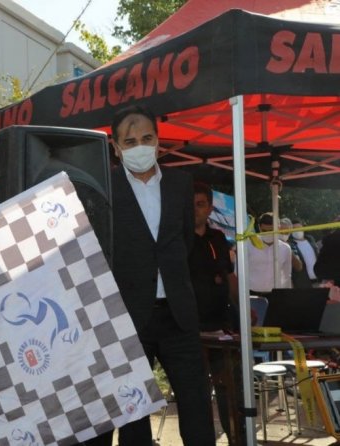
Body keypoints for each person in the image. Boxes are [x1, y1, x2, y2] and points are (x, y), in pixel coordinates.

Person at [90, 105, 215, 446]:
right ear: (116, 147)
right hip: (128, 317)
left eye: (147, 138)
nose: (140, 147)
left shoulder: (180, 183)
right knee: (133, 413)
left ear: (158, 141)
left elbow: (184, 240)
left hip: (178, 314)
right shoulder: (105, 186)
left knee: (196, 404)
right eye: (130, 142)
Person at [189, 182, 244, 444]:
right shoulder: (176, 239)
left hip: (222, 325)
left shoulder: (219, 239)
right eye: (190, 205)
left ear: (210, 208)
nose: (195, 210)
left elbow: (229, 275)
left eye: (200, 204)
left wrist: (243, 308)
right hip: (190, 329)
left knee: (230, 389)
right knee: (197, 393)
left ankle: (237, 439)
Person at [248, 212, 293, 296]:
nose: (268, 233)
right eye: (264, 231)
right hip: (251, 294)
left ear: (278, 228)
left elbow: (287, 276)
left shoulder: (285, 248)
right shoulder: (248, 245)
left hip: (276, 295)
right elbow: (238, 273)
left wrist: (288, 296)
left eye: (271, 230)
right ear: (259, 228)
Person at [290, 217, 319, 288]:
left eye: (299, 228)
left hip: (319, 281)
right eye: (294, 229)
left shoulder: (310, 239)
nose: (297, 231)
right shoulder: (290, 244)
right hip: (303, 284)